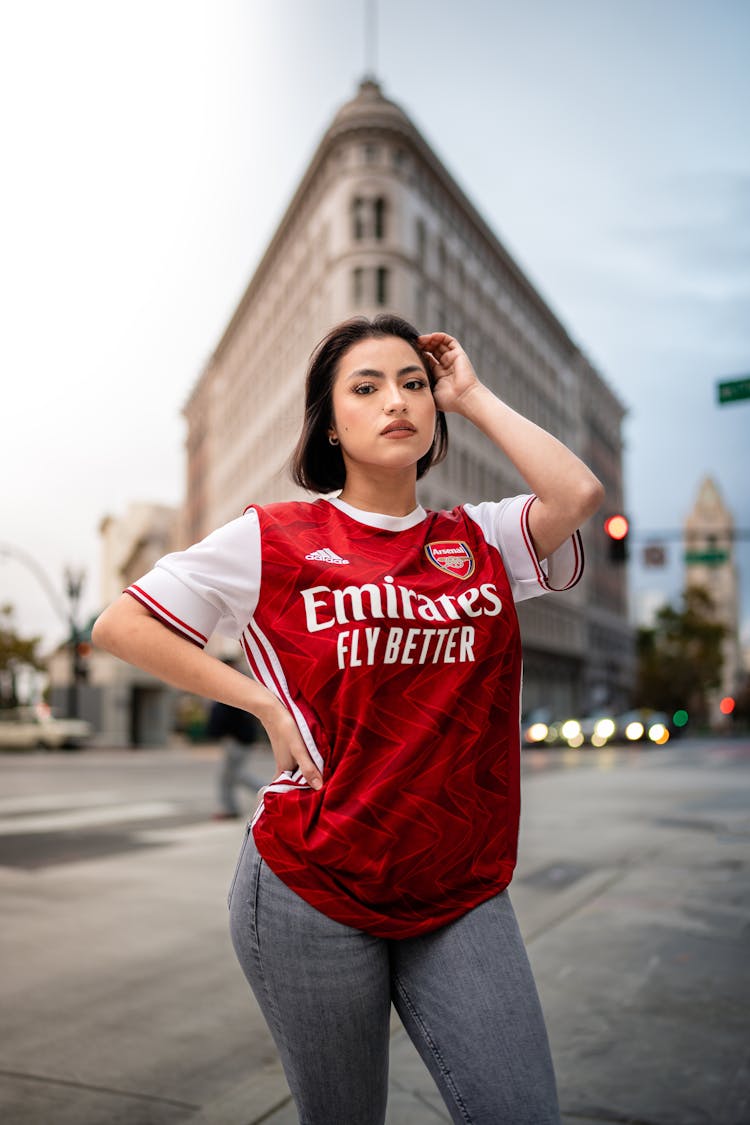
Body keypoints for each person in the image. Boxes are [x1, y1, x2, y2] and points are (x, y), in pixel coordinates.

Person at [92, 314, 604, 1125]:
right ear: (330, 423)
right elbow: (121, 624)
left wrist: (470, 394)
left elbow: (577, 495)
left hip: (461, 885)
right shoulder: (276, 537)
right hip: (313, 886)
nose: (395, 400)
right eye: (365, 388)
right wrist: (258, 698)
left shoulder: (480, 538)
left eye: (411, 383)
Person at [205, 683, 266, 819]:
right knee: (230, 776)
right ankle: (230, 808)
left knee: (233, 775)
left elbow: (223, 718)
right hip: (238, 739)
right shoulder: (237, 689)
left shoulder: (230, 691)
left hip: (236, 740)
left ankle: (268, 793)